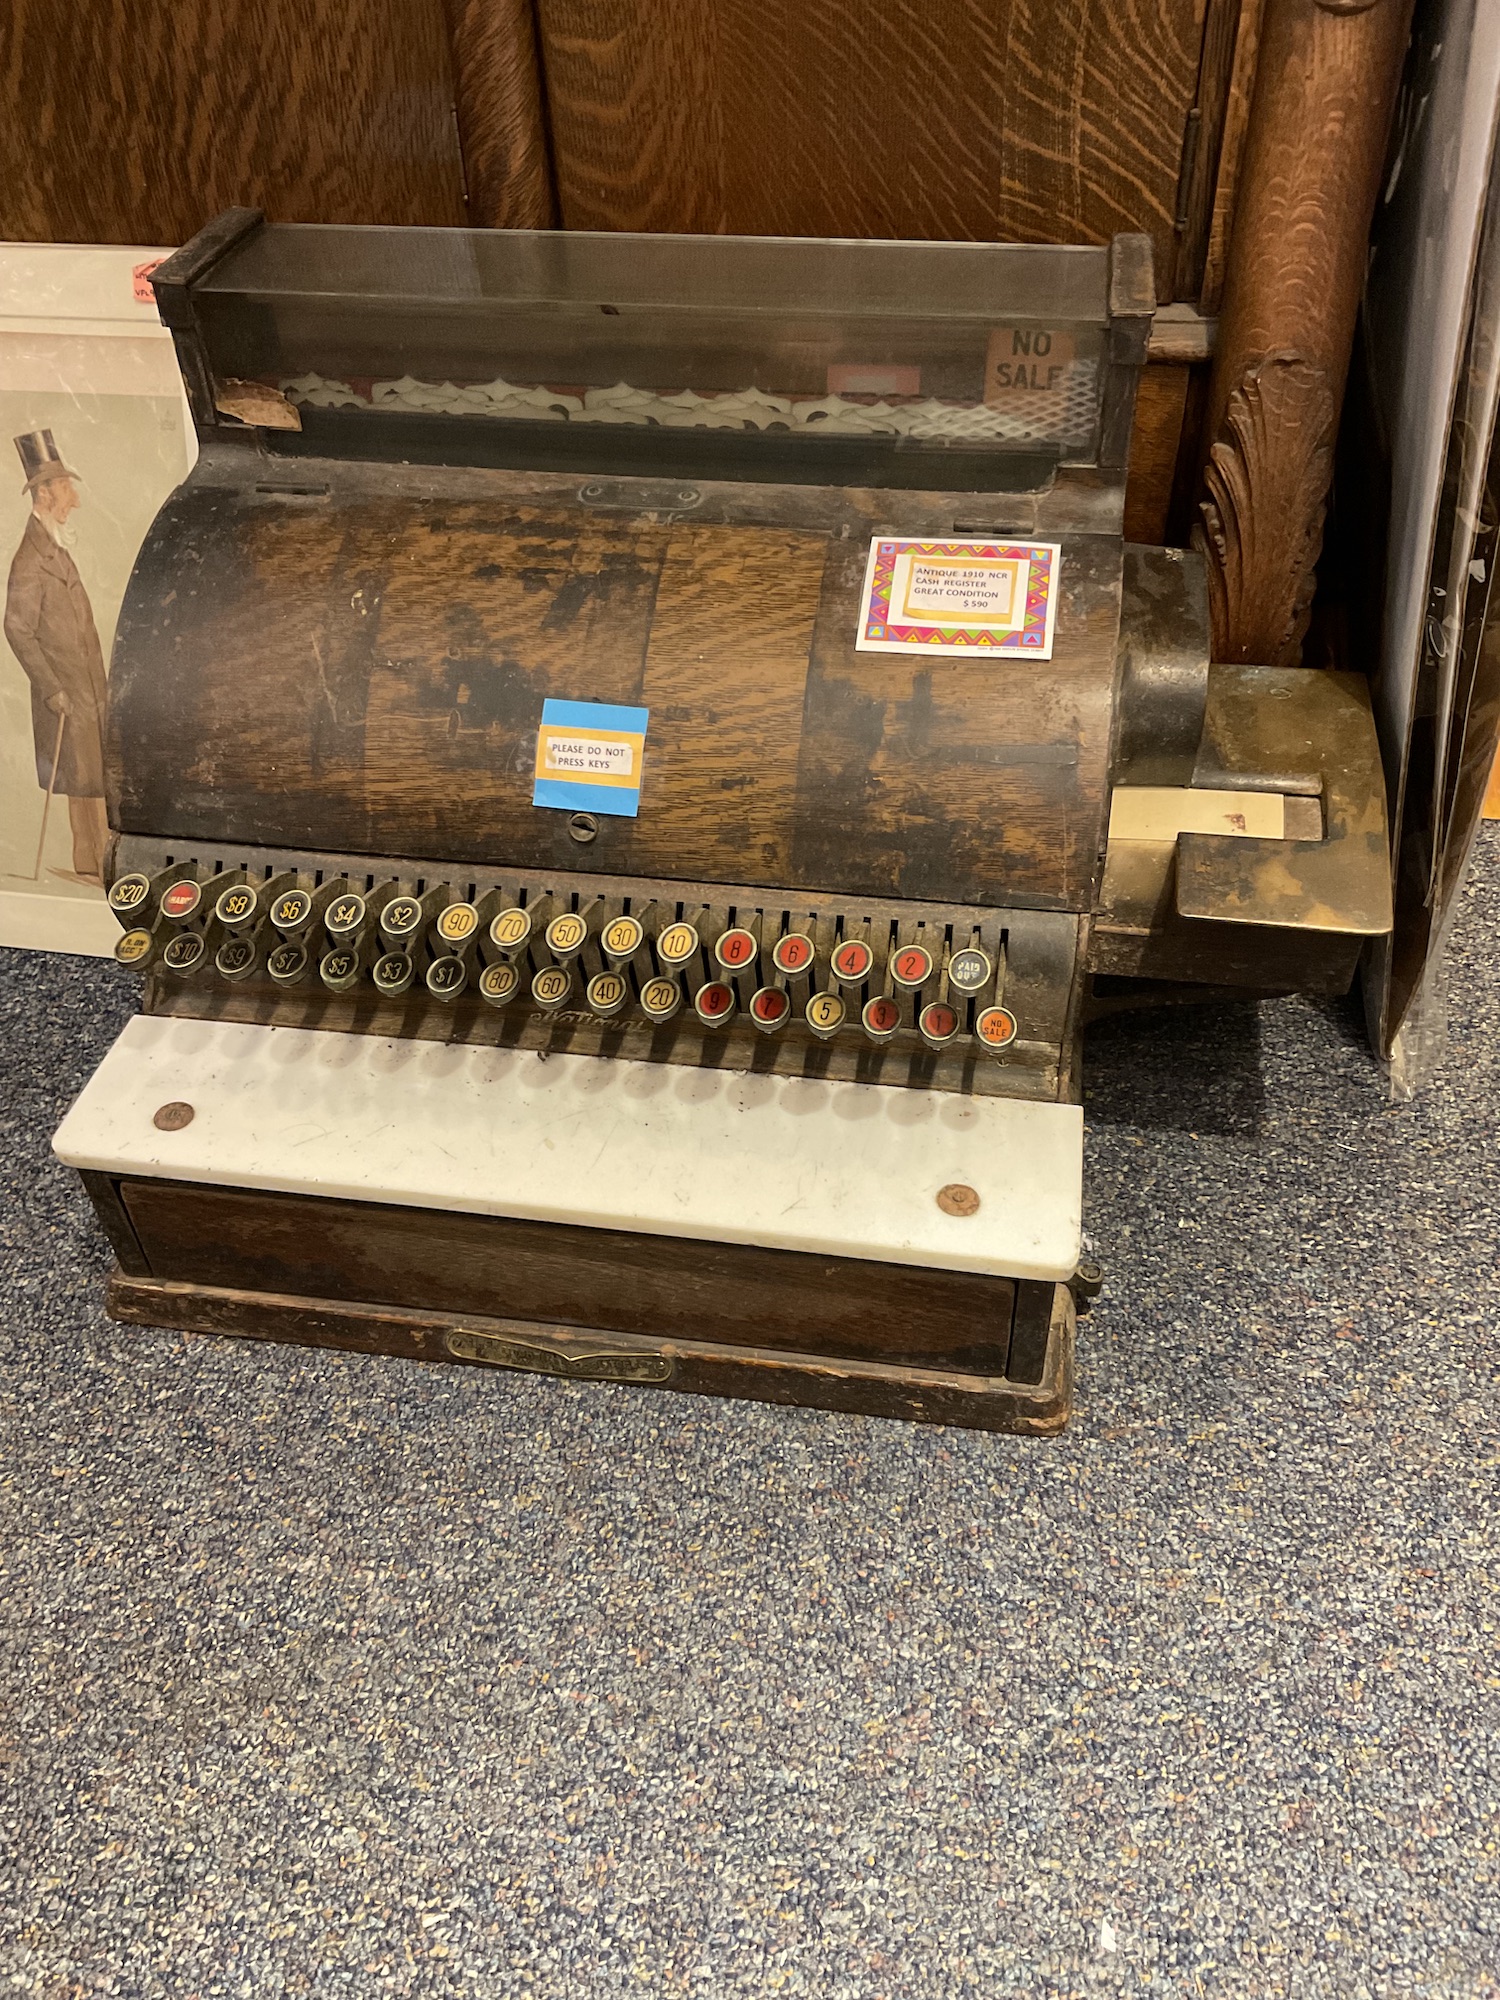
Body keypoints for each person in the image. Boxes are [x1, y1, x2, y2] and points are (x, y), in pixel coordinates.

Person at [4, 430, 110, 885]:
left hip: (88, 691)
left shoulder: (55, 547)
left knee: (90, 780)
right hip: (68, 695)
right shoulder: (31, 559)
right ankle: (97, 863)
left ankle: (95, 864)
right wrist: (53, 689)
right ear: (45, 493)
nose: (75, 500)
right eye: (67, 488)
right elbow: (16, 627)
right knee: (83, 781)